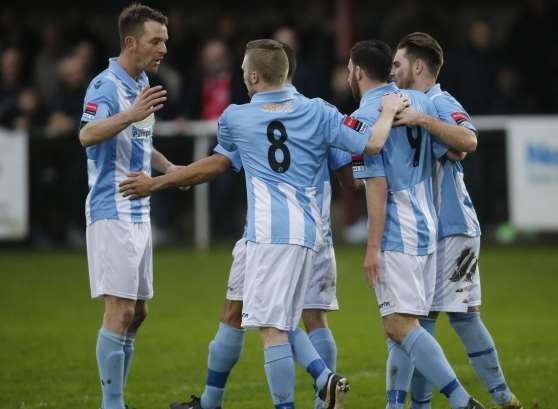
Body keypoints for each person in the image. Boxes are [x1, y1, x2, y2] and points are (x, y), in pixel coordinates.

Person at [119, 42, 356, 409]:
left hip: (274, 233)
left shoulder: (238, 116)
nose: (240, 73)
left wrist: (161, 181)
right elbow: (354, 165)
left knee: (280, 323)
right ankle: (212, 402)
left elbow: (218, 163)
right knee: (240, 312)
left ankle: (323, 384)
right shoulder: (320, 112)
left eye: (244, 68)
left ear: (255, 75)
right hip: (294, 230)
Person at [347, 39, 484, 409]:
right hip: (428, 229)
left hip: (397, 232)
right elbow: (454, 149)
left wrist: (372, 247)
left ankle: (462, 401)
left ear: (357, 71)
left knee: (398, 324)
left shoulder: (362, 120)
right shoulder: (421, 102)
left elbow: (376, 185)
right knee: (403, 327)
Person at [390, 32, 522, 409]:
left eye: (398, 64)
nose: (393, 71)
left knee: (461, 318)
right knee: (421, 325)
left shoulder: (438, 100)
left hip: (453, 227)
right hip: (429, 230)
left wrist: (424, 120)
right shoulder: (408, 103)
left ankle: (503, 399)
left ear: (418, 66)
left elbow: (468, 139)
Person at [78, 4, 179, 409]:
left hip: (139, 211)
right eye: (157, 41)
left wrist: (169, 167)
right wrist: (131, 112)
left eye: (166, 42)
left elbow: (138, 140)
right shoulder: (104, 86)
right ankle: (113, 403)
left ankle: (115, 396)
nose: (164, 49)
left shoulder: (138, 84)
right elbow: (87, 135)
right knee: (119, 311)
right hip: (111, 209)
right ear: (131, 42)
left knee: (138, 313)